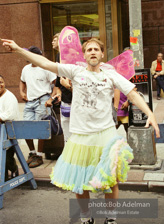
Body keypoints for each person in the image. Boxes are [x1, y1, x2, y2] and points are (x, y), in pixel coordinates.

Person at [2, 38, 160, 224]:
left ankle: (110, 218)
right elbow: (45, 63)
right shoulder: (75, 71)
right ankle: (86, 217)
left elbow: (132, 92)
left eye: (96, 49)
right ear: (84, 55)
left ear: (102, 54)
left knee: (110, 181)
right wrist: (18, 49)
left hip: (106, 136)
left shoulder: (110, 75)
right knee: (79, 182)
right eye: (89, 49)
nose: (93, 52)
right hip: (80, 137)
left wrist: (149, 112)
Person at [19, 46, 57, 168]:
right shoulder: (26, 69)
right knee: (25, 127)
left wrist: (51, 98)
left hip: (43, 100)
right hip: (30, 101)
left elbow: (56, 83)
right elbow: (22, 81)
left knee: (41, 128)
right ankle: (32, 153)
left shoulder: (45, 68)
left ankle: (39, 156)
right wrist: (21, 92)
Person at [52, 33, 72, 144]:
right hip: (65, 99)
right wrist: (58, 92)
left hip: (73, 98)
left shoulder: (70, 55)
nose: (52, 42)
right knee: (66, 129)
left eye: (54, 39)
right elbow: (59, 77)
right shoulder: (58, 55)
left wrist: (66, 86)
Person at [0, 75, 19, 181]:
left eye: (1, 82)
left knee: (7, 158)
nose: (0, 85)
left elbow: (9, 115)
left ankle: (14, 169)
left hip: (10, 134)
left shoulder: (9, 97)